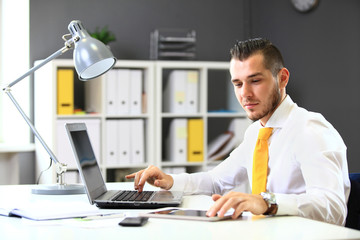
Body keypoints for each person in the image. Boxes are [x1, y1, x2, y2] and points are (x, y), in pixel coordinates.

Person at [126, 38, 350, 226]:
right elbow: (216, 181)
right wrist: (170, 180)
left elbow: (333, 207)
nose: (245, 94)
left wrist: (266, 202)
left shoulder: (309, 130)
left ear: (282, 78)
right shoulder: (256, 133)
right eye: (238, 83)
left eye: (255, 81)